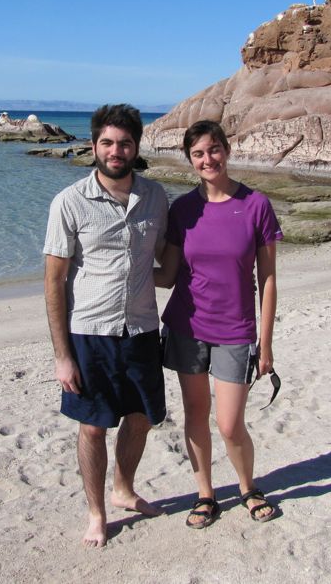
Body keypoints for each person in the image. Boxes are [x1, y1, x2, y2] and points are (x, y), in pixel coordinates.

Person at [43, 103, 169, 546]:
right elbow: (54, 281)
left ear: (137, 147)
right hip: (90, 333)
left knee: (140, 419)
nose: (116, 151)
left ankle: (123, 490)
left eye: (125, 143)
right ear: (94, 145)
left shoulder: (156, 196)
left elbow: (167, 262)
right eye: (108, 143)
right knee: (93, 426)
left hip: (140, 330)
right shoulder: (69, 202)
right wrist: (62, 356)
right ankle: (96, 513)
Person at [155, 119, 282, 528]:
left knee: (229, 424)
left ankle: (247, 487)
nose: (207, 159)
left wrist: (265, 344)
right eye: (197, 154)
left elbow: (268, 279)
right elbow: (168, 275)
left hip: (235, 330)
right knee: (195, 414)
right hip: (185, 327)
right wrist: (125, 264)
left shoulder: (256, 205)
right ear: (189, 160)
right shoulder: (183, 209)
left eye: (213, 150)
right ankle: (205, 493)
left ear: (226, 150)